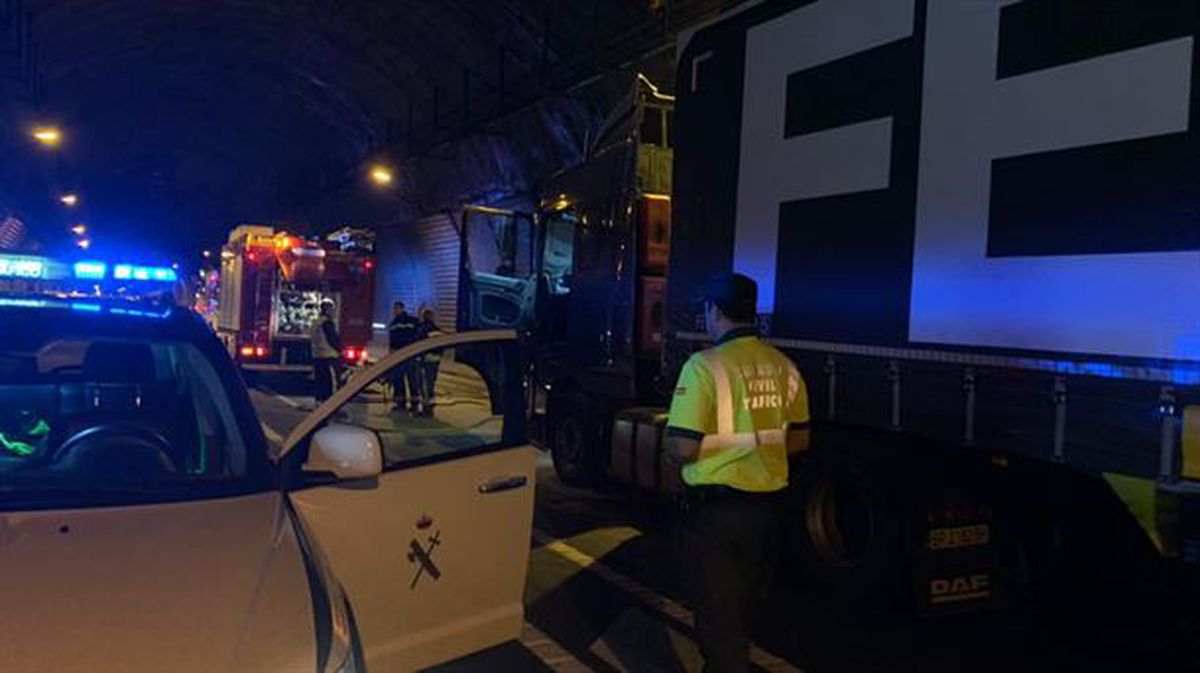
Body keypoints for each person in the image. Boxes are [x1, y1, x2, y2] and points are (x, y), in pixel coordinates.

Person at [664, 272, 810, 673]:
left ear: (714, 311)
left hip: (716, 519)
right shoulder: (785, 366)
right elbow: (800, 440)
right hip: (768, 515)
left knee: (720, 630)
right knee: (742, 618)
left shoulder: (704, 367)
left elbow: (682, 447)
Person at [387, 300, 421, 413]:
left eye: (397, 308)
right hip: (399, 356)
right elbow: (391, 343)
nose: (395, 311)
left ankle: (413, 404)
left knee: (412, 381)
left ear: (402, 308)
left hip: (408, 355)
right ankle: (401, 403)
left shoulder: (411, 321)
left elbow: (418, 336)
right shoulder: (393, 323)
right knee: (399, 381)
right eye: (394, 309)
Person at [310, 300, 343, 404]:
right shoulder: (327, 323)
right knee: (331, 382)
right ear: (328, 310)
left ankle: (319, 402)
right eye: (331, 309)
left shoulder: (315, 322)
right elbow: (332, 338)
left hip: (317, 355)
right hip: (329, 356)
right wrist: (340, 350)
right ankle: (331, 404)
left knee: (320, 381)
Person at [417, 308, 443, 417]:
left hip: (425, 361)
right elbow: (441, 346)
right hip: (435, 361)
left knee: (423, 386)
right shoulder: (437, 330)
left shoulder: (422, 329)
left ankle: (426, 408)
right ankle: (430, 407)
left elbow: (419, 345)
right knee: (431, 385)